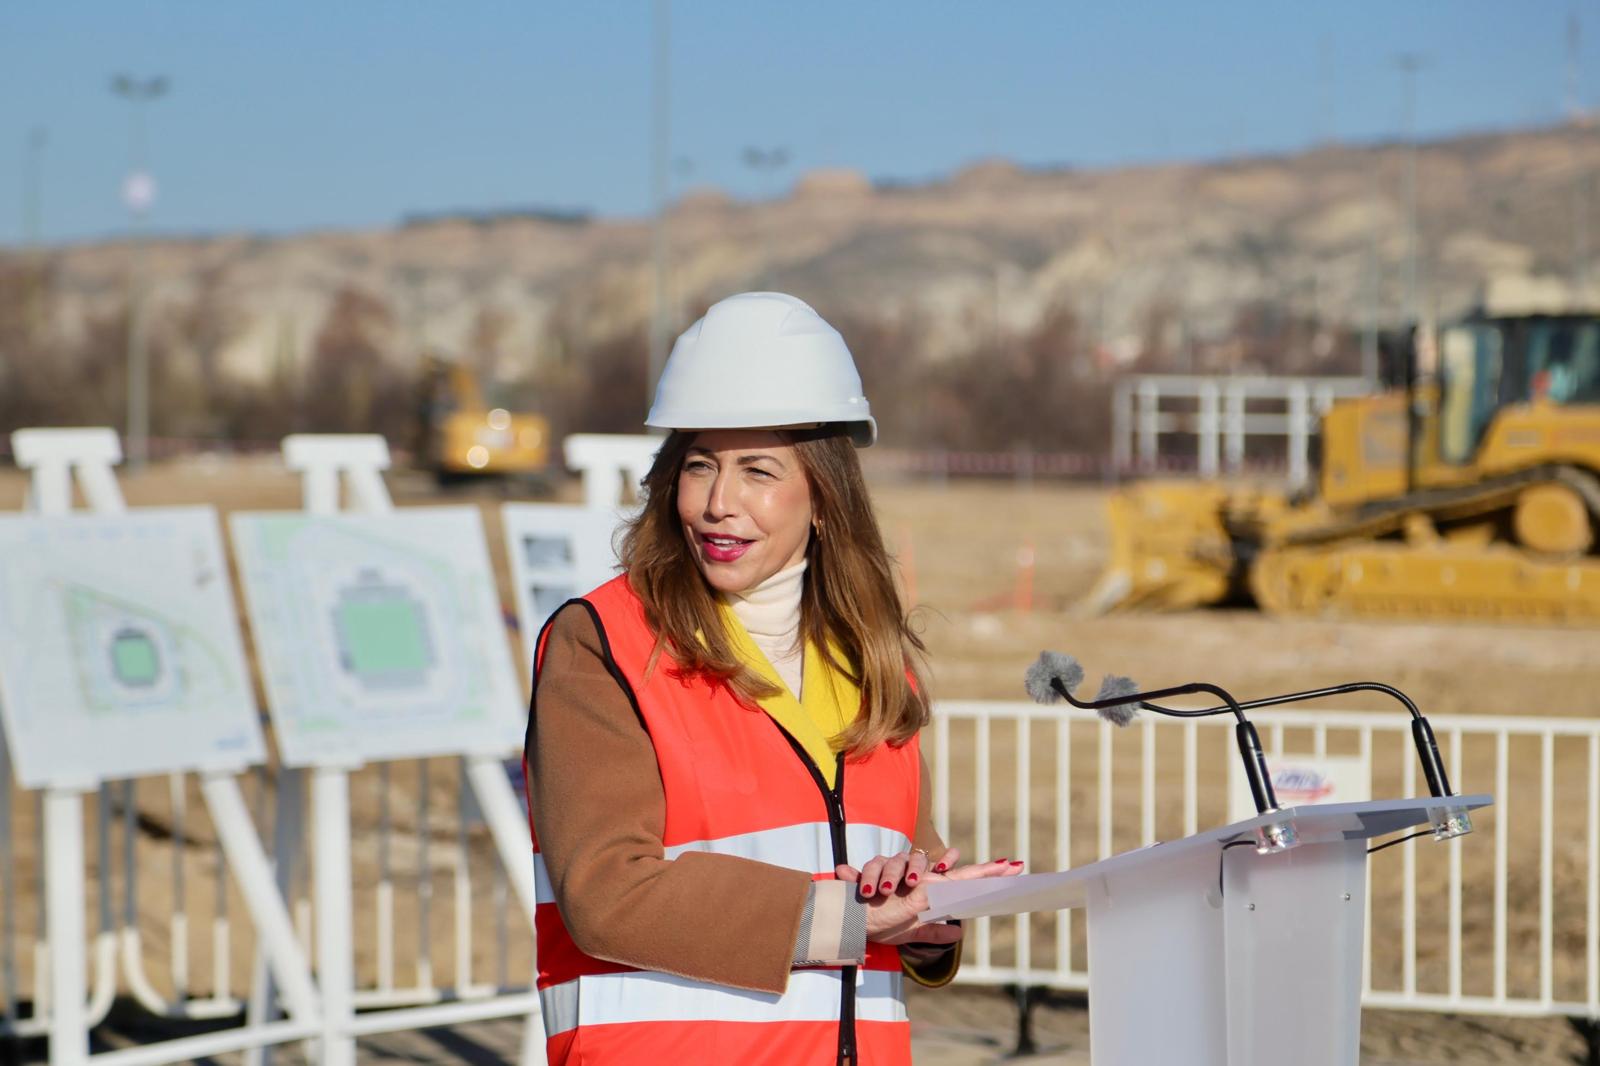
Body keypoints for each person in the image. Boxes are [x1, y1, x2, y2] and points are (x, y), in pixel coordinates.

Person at [523, 292, 1022, 1065]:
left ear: (823, 496)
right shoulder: (605, 643)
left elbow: (906, 884)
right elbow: (607, 893)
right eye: (699, 466)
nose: (718, 504)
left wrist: (930, 919)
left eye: (757, 471)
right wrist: (847, 919)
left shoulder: (876, 672)